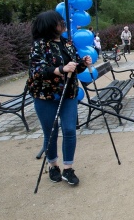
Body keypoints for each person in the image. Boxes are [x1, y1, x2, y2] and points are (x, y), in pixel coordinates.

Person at [27, 10, 92, 186]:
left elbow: (75, 68)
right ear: (49, 25)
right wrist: (60, 70)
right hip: (45, 95)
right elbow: (37, 70)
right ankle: (53, 164)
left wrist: (82, 64)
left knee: (70, 130)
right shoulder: (39, 45)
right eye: (58, 21)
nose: (62, 23)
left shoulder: (67, 43)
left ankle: (68, 169)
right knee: (51, 132)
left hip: (68, 94)